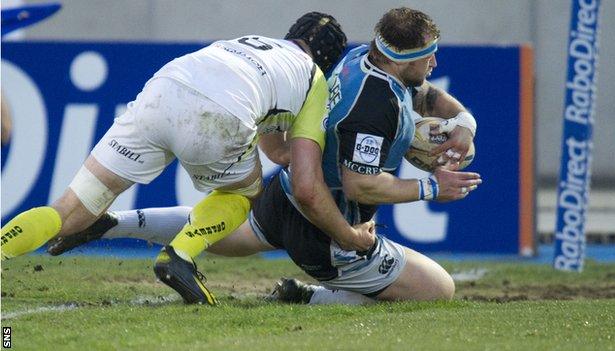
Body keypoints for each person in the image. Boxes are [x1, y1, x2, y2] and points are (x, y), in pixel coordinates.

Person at [48, 7, 482, 304]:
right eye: (427, 55)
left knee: (231, 236)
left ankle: (110, 224)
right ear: (402, 59)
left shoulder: (358, 59)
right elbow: (360, 184)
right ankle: (308, 295)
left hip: (286, 195)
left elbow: (423, 94)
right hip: (328, 224)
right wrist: (430, 187)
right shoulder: (373, 108)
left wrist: (463, 121)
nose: (434, 61)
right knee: (437, 289)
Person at [1, 12, 377, 305]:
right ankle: (179, 255)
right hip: (219, 115)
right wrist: (347, 229)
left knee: (69, 213)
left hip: (162, 90)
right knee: (245, 195)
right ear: (328, 62)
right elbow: (301, 177)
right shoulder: (313, 78)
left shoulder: (248, 44)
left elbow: (271, 143)